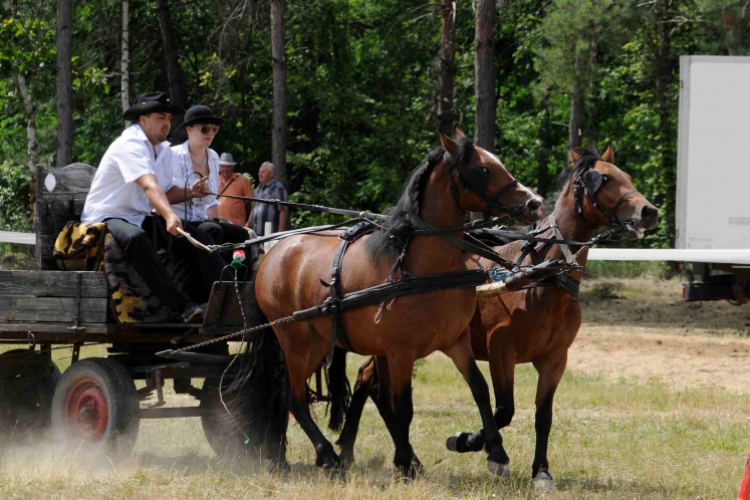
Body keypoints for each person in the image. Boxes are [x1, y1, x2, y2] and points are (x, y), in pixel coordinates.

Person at [81, 92, 226, 322]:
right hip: (106, 215)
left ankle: (224, 301)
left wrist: (191, 191)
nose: (167, 123)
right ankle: (183, 308)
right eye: (161, 117)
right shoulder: (130, 144)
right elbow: (149, 185)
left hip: (137, 215)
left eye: (169, 117)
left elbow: (166, 191)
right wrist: (169, 215)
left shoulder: (163, 150)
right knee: (136, 238)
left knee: (199, 237)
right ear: (143, 120)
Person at [170, 105, 251, 247]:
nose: (211, 133)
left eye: (214, 129)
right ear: (189, 130)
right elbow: (160, 196)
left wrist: (219, 220)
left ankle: (240, 269)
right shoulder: (172, 155)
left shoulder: (213, 156)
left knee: (241, 234)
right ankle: (220, 269)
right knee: (214, 230)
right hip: (178, 222)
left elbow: (211, 200)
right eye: (205, 129)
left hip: (203, 222)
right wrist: (190, 192)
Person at [250, 162, 288, 236]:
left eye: (263, 172)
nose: (260, 174)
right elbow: (254, 209)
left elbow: (283, 211)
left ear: (271, 174)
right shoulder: (258, 188)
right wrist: (247, 225)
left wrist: (280, 233)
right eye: (259, 172)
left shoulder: (278, 188)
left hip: (270, 234)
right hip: (255, 234)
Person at [216, 153, 254, 227]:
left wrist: (248, 224)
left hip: (237, 227)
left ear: (233, 167)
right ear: (219, 167)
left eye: (228, 167)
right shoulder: (215, 181)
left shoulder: (242, 181)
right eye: (223, 166)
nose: (225, 169)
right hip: (219, 227)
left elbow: (251, 205)